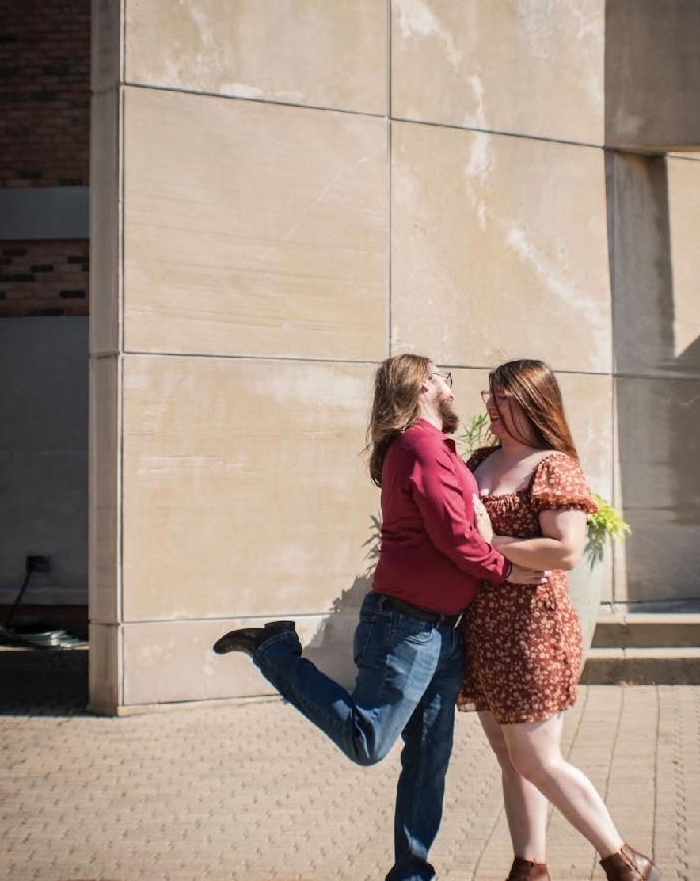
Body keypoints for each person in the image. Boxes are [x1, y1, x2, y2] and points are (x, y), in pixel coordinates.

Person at [213, 353, 547, 881]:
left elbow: (467, 525)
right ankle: (274, 651)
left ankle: (411, 873)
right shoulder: (419, 446)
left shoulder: (439, 448)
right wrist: (506, 570)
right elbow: (456, 537)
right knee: (368, 741)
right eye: (440, 377)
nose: (449, 383)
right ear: (420, 389)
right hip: (406, 629)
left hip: (443, 633)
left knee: (428, 763)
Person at [460, 359, 661, 881]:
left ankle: (623, 859)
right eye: (490, 396)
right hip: (484, 628)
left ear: (532, 402)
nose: (492, 406)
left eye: (503, 398)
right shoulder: (478, 460)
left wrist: (491, 544)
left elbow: (566, 550)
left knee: (537, 758)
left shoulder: (553, 466)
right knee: (510, 756)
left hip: (533, 629)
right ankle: (529, 866)